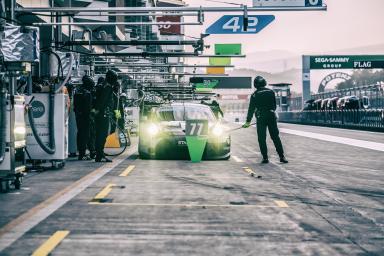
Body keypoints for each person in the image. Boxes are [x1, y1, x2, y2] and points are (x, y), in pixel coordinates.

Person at [242, 76, 288, 164]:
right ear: (264, 83)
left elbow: (251, 109)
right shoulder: (271, 92)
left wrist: (248, 122)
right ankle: (282, 157)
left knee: (262, 138)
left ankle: (265, 158)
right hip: (271, 116)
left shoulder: (254, 95)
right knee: (275, 137)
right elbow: (274, 106)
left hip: (261, 117)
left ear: (255, 84)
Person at [94, 70, 120, 162]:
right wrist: (117, 118)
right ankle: (99, 155)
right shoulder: (108, 88)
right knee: (102, 135)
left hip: (103, 115)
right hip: (105, 115)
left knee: (99, 135)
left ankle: (99, 154)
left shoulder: (101, 86)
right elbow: (103, 101)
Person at [74, 75, 94, 160]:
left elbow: (75, 105)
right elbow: (88, 107)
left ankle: (82, 153)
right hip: (86, 117)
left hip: (78, 116)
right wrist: (91, 116)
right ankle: (84, 153)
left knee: (80, 134)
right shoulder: (87, 93)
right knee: (86, 135)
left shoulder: (77, 91)